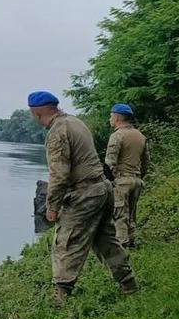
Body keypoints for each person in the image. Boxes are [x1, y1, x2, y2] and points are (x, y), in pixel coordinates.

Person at [28, 91, 139, 305]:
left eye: (32, 114)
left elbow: (59, 174)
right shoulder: (75, 122)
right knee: (107, 242)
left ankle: (60, 298)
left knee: (66, 243)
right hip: (103, 189)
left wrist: (52, 206)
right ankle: (130, 286)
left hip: (85, 194)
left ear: (37, 112)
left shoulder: (58, 132)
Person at [104, 103, 149, 248]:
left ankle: (122, 248)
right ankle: (133, 243)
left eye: (111, 115)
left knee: (120, 216)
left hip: (121, 181)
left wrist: (111, 181)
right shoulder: (140, 136)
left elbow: (110, 162)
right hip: (136, 180)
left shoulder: (117, 135)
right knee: (131, 216)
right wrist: (138, 176)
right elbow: (146, 161)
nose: (110, 118)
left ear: (117, 117)